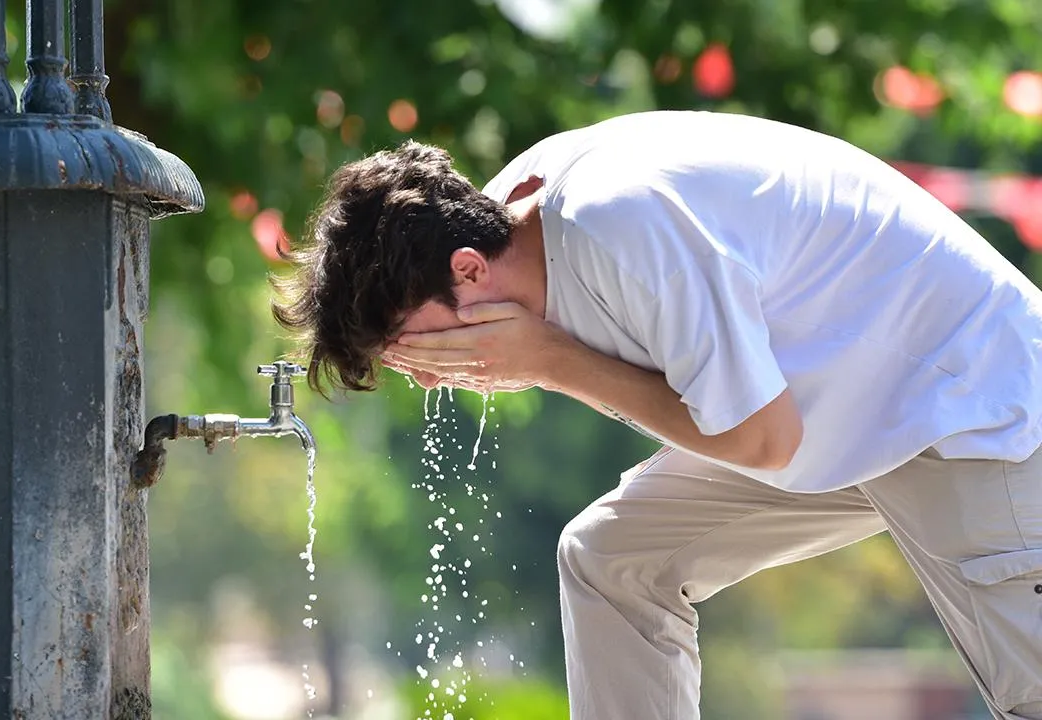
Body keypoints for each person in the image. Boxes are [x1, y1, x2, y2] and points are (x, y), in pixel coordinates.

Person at [270, 110, 1042, 720]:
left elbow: (763, 441)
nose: (427, 378)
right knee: (612, 560)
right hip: (824, 408)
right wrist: (546, 357)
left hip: (963, 402)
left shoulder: (617, 225)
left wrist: (554, 362)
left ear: (467, 273)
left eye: (412, 349)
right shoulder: (501, 230)